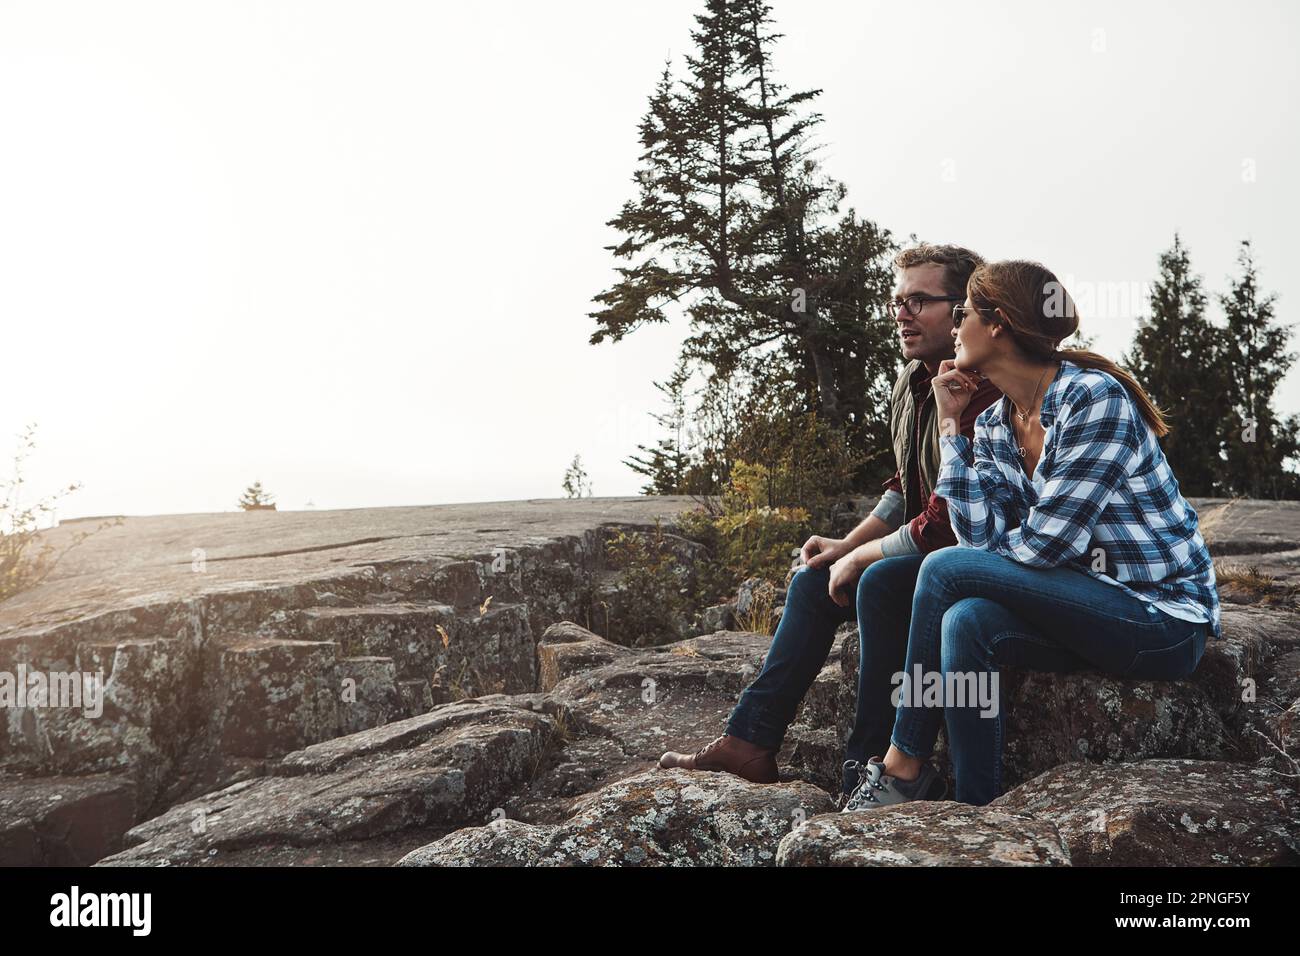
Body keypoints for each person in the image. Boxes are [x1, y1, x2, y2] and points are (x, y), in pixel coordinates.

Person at [841, 259, 1222, 810]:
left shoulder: (1093, 399)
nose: (954, 327)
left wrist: (986, 559)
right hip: (1081, 603)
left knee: (944, 569)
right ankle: (981, 813)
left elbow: (1047, 546)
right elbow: (977, 535)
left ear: (996, 325)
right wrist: (951, 427)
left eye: (964, 313)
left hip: (1160, 618)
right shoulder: (997, 423)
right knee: (966, 619)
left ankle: (902, 768)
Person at [658, 243, 1001, 803]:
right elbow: (905, 485)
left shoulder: (982, 388)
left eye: (920, 300)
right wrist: (848, 542)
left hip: (963, 553)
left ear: (964, 309)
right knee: (813, 578)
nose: (902, 314)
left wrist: (864, 557)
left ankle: (863, 771)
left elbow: (949, 519)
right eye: (897, 302)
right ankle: (749, 741)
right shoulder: (914, 380)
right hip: (926, 539)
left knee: (878, 583)